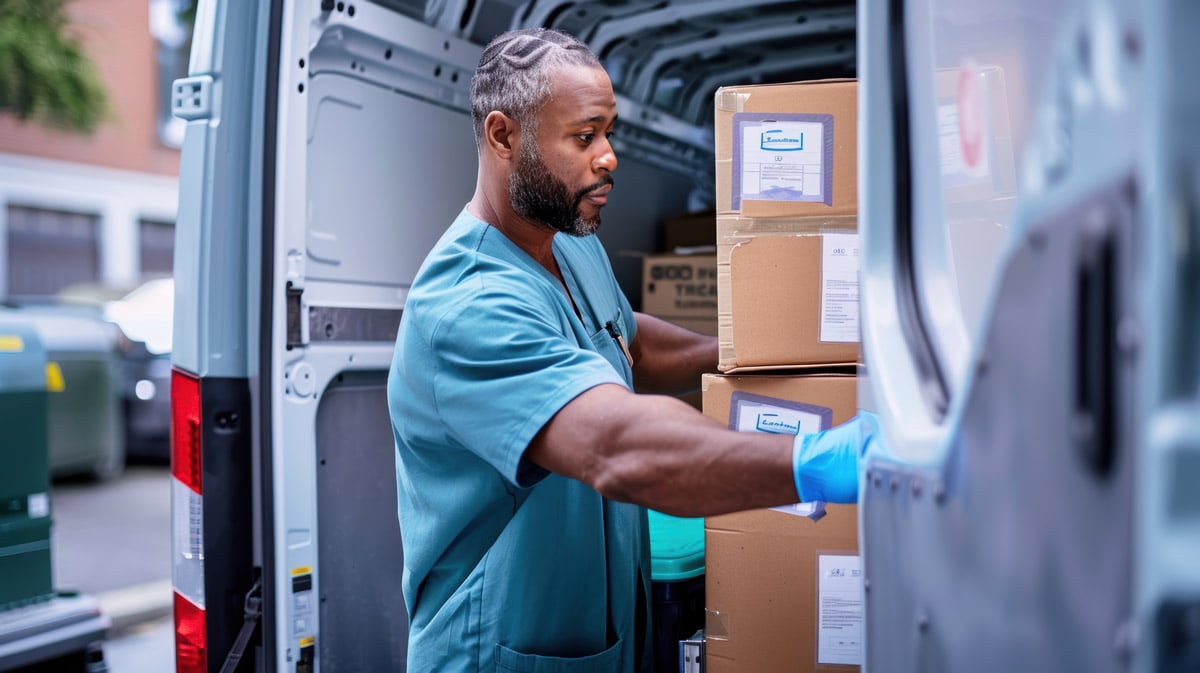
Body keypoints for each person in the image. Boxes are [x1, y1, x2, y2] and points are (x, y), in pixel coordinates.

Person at [387, 27, 872, 673]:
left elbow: (626, 338)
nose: (609, 156)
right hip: (498, 653)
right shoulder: (465, 305)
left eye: (608, 133)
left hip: (598, 635)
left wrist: (748, 352)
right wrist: (812, 461)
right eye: (584, 137)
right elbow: (616, 444)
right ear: (504, 136)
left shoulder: (566, 235)